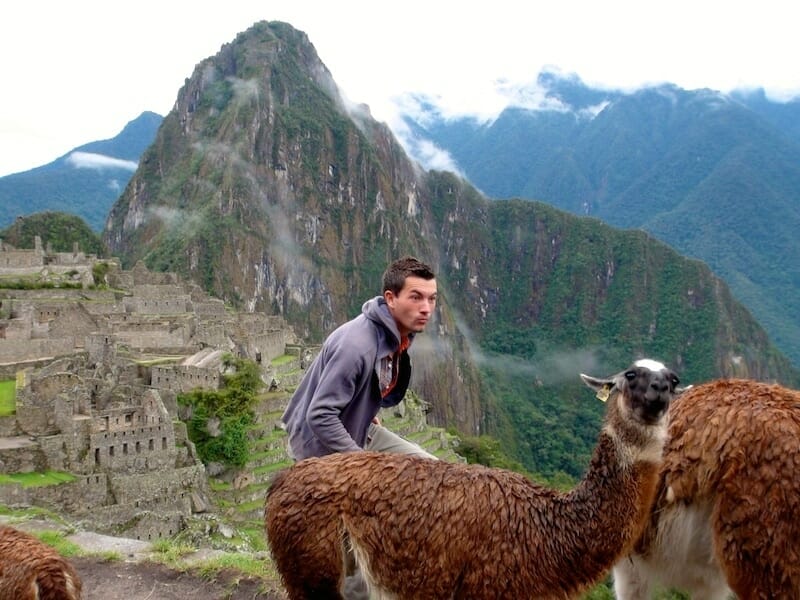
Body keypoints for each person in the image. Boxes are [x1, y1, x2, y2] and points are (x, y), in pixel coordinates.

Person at [282, 255, 439, 461]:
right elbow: (320, 416)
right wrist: (365, 464)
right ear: (391, 298)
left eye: (432, 298)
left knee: (432, 471)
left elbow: (365, 383)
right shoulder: (357, 347)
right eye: (416, 297)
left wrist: (364, 411)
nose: (426, 308)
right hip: (317, 446)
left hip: (359, 428)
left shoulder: (396, 335)